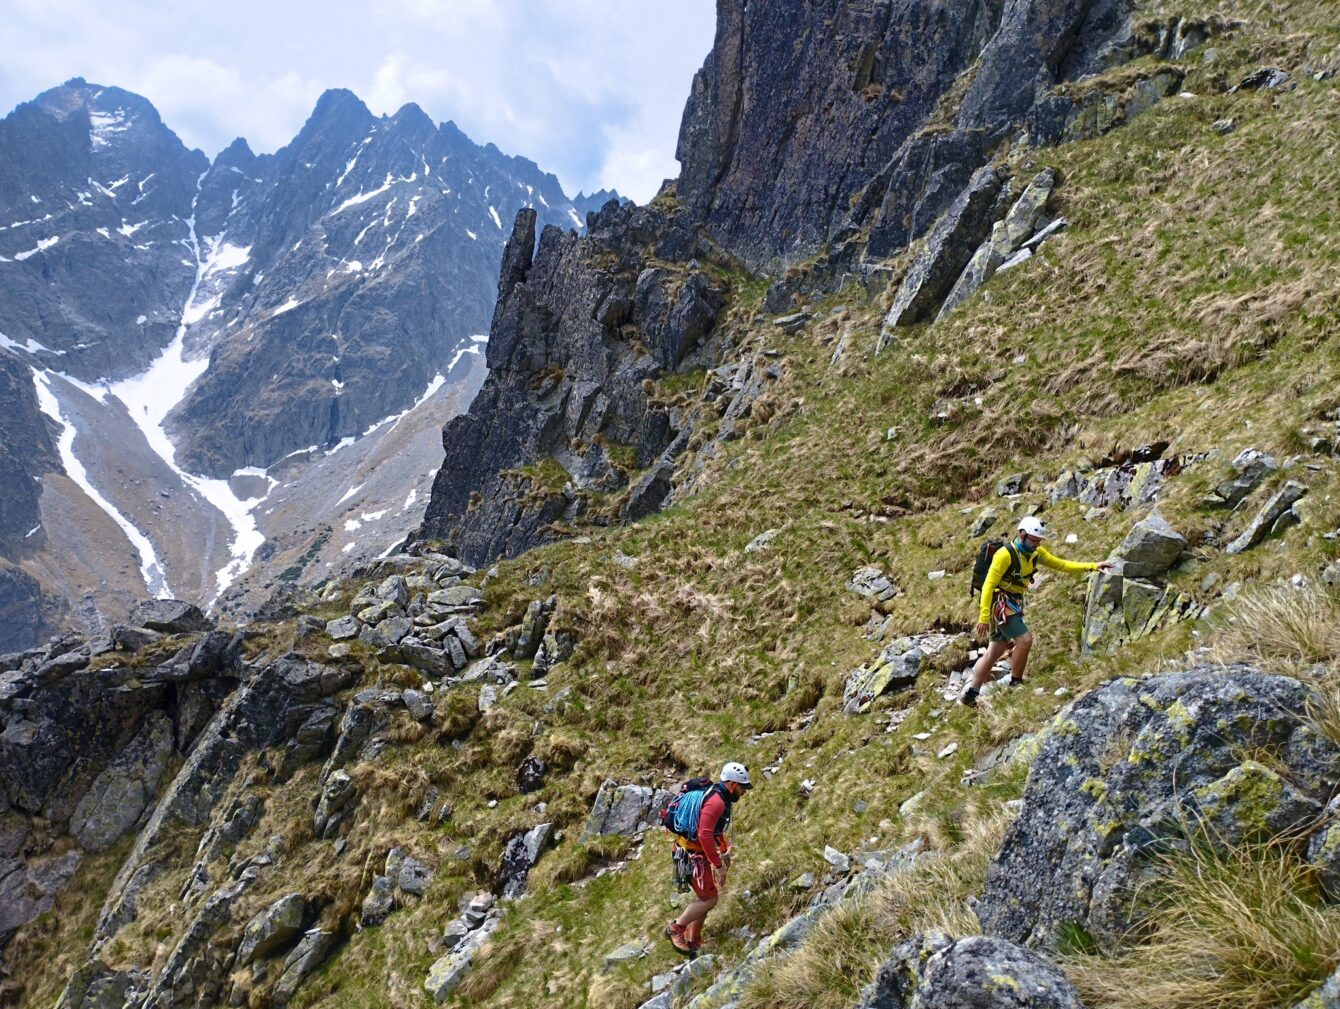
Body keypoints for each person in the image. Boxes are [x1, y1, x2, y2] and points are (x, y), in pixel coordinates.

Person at [960, 516, 1114, 707]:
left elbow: (1061, 564)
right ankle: (1016, 683)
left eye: (1039, 541)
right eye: (1034, 540)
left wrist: (1093, 566)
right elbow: (988, 585)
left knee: (995, 650)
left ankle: (971, 694)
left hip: (1010, 603)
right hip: (1000, 605)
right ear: (1022, 535)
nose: (1037, 544)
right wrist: (984, 617)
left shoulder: (1035, 553)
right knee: (1025, 640)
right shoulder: (1004, 555)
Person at [666, 761, 752, 957]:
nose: (744, 792)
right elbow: (705, 835)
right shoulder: (717, 802)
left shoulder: (719, 797)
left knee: (706, 896)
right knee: (710, 899)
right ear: (732, 784)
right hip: (691, 856)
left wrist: (723, 849)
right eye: (742, 787)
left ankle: (693, 939)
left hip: (693, 853)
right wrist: (719, 865)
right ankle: (676, 929)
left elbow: (714, 831)